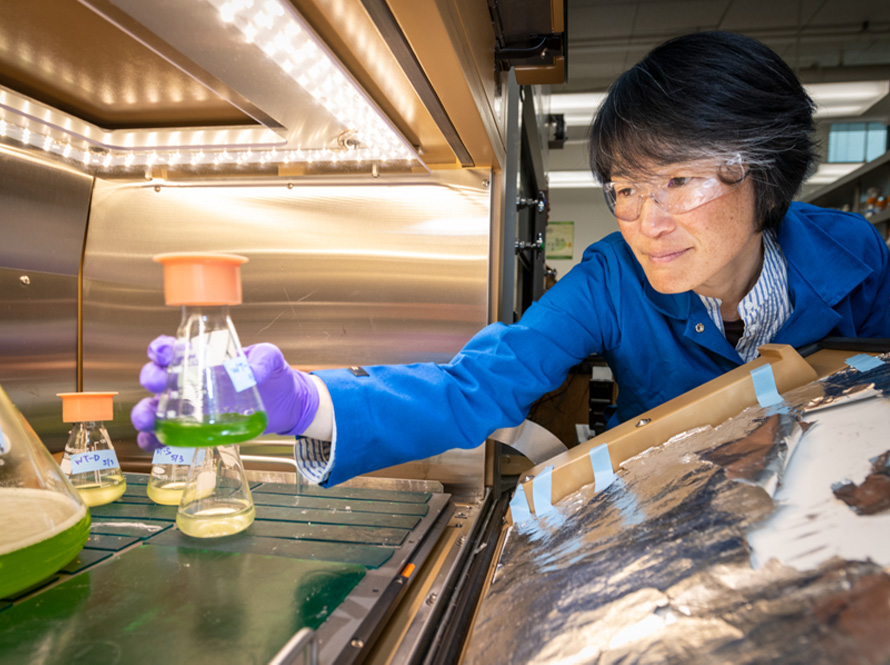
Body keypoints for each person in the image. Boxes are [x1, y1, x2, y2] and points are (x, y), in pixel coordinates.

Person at [132, 31, 890, 487]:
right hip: (662, 517)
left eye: (678, 182)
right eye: (624, 188)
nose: (644, 220)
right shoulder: (608, 278)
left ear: (767, 170)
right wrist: (302, 401)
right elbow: (476, 387)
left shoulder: (853, 253)